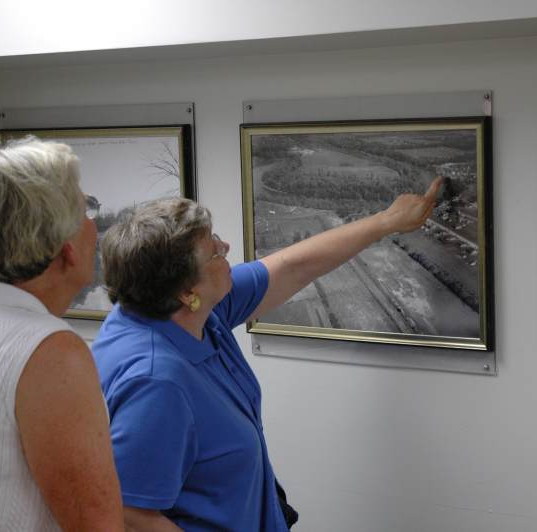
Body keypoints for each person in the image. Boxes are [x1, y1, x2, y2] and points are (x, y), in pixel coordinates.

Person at [92, 176, 442, 531]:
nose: (225, 246)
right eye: (214, 251)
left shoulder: (190, 313)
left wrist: (388, 221)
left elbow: (293, 266)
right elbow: (130, 515)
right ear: (186, 290)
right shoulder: (157, 382)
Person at [0, 139, 125, 530]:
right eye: (86, 210)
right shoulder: (47, 351)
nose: (94, 224)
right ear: (66, 248)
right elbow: (96, 525)